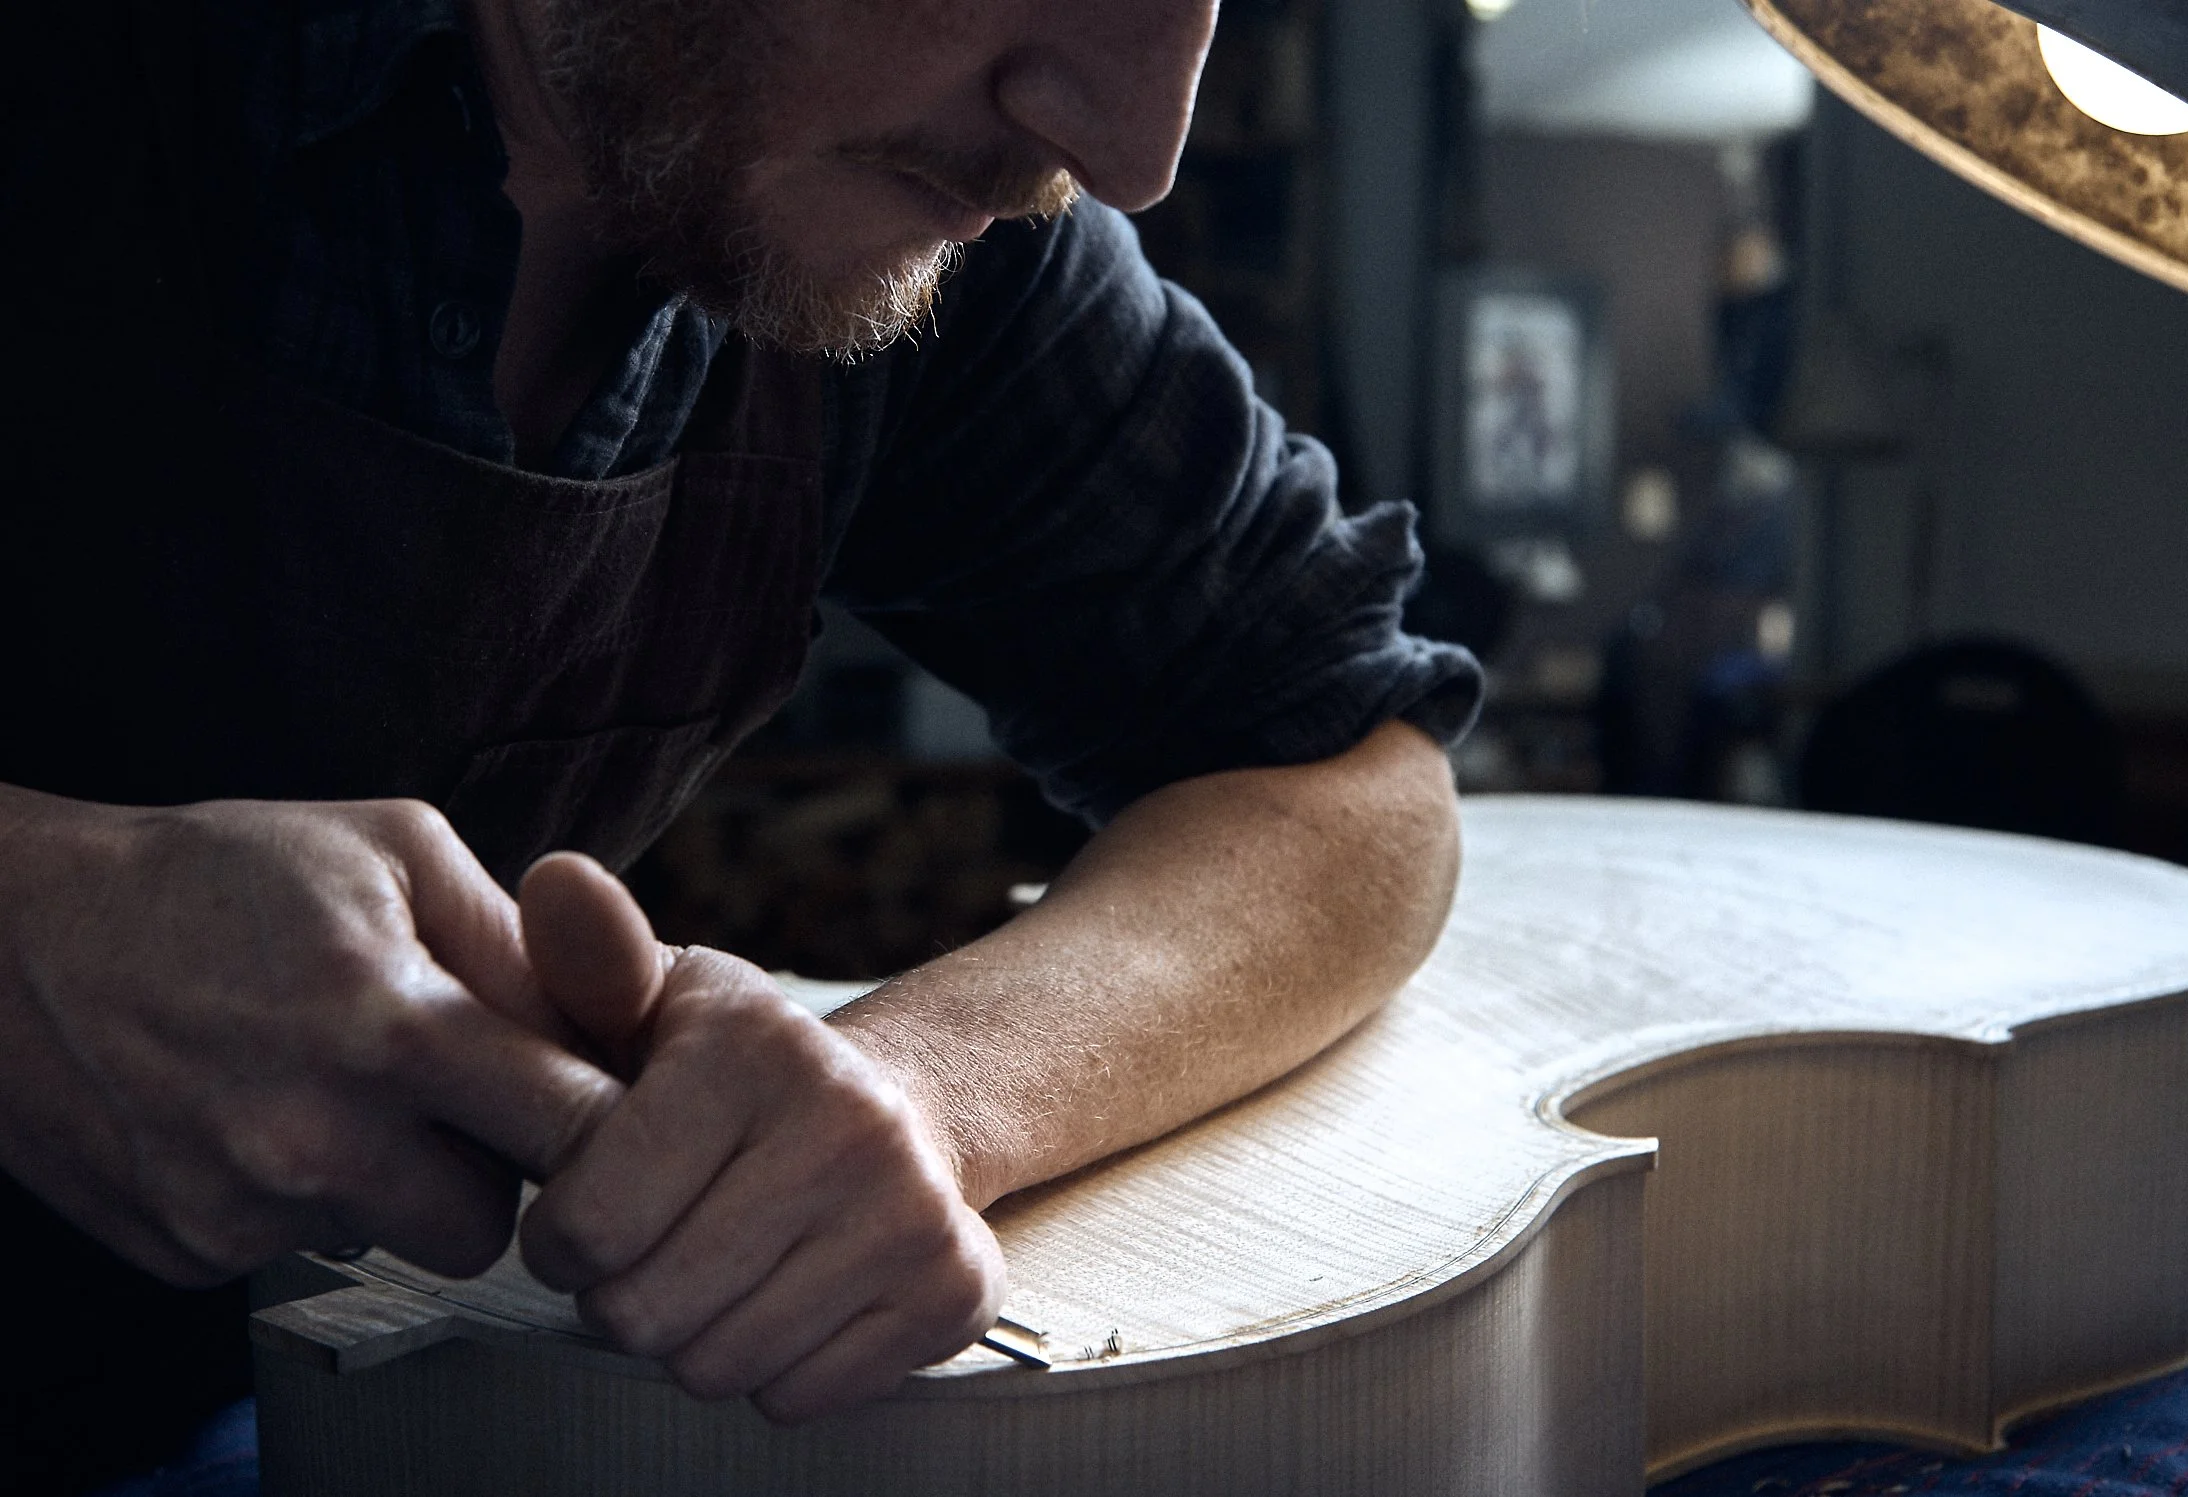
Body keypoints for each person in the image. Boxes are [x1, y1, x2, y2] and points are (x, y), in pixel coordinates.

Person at [0, 0, 1481, 1487]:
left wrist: (931, 1089)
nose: (1129, 150)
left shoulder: (944, 219)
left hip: (345, 1409)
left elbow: (1346, 767)